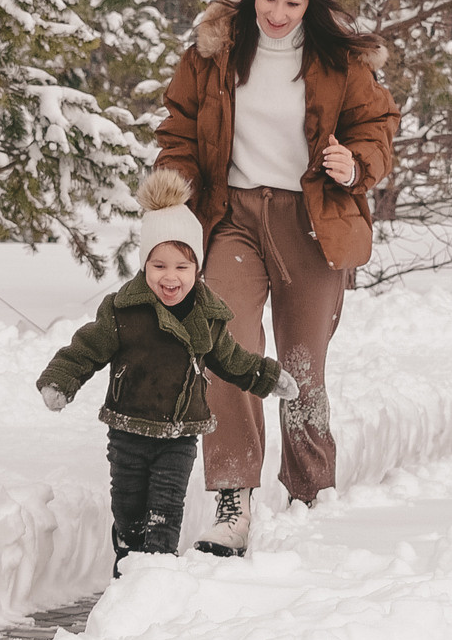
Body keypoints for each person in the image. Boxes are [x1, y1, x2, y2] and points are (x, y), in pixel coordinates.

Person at [154, 0, 400, 555]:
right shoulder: (214, 53)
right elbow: (180, 127)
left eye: (295, 0)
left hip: (312, 221)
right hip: (233, 218)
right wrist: (171, 199)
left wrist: (356, 162)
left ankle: (311, 488)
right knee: (227, 347)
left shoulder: (338, 62)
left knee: (301, 366)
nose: (280, 12)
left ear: (311, 2)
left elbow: (378, 129)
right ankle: (232, 497)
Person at [38, 170, 298, 566]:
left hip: (178, 436)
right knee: (128, 513)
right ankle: (127, 564)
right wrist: (61, 380)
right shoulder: (123, 310)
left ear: (197, 270)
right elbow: (87, 347)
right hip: (127, 432)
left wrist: (268, 376)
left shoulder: (206, 318)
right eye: (158, 265)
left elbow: (232, 360)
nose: (170, 277)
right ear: (144, 266)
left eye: (182, 266)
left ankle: (157, 571)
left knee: (163, 513)